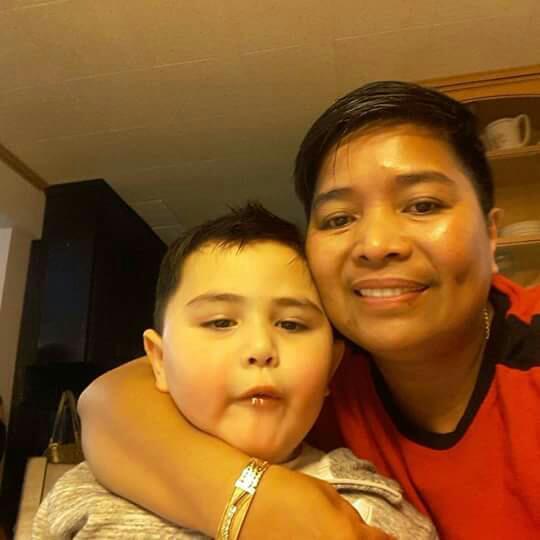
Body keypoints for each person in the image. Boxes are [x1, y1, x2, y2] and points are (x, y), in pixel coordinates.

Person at [78, 82, 540, 539]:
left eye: (422, 205)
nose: (376, 244)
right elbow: (109, 401)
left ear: (491, 233)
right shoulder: (313, 364)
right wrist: (254, 502)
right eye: (339, 218)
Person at [33, 204, 436, 540]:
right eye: (221, 322)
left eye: (292, 324)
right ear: (158, 360)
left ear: (332, 367)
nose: (260, 349)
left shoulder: (377, 511)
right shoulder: (88, 492)